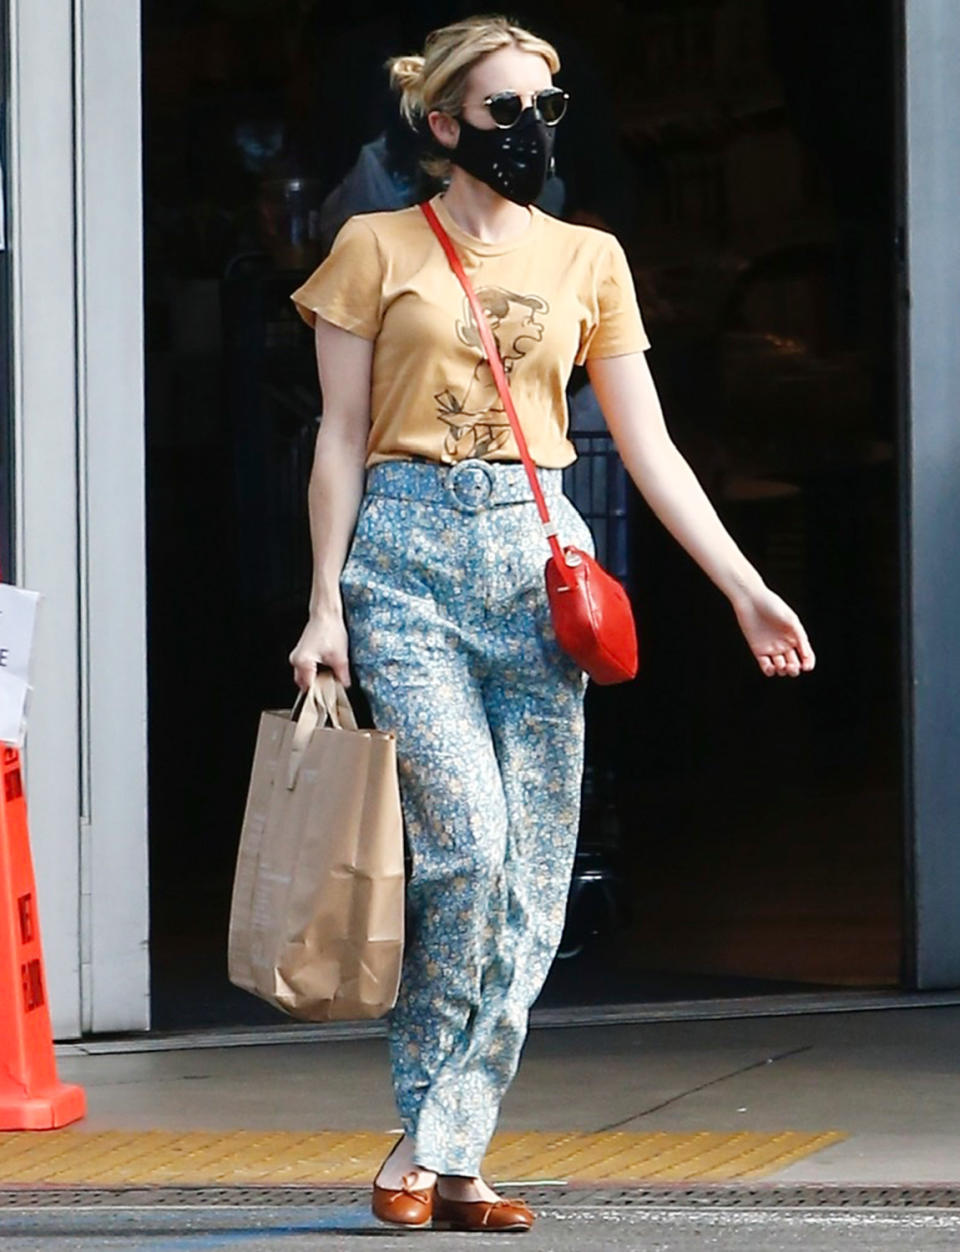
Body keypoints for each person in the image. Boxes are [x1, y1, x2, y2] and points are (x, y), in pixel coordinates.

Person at [287, 15, 816, 1235]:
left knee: (534, 875)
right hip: (404, 562)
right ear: (442, 126)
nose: (529, 132)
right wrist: (326, 604)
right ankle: (433, 1133)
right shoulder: (373, 245)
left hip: (540, 570)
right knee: (466, 850)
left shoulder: (591, 257)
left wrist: (741, 584)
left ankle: (446, 1155)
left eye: (546, 110)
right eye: (504, 111)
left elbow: (647, 443)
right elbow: (335, 435)